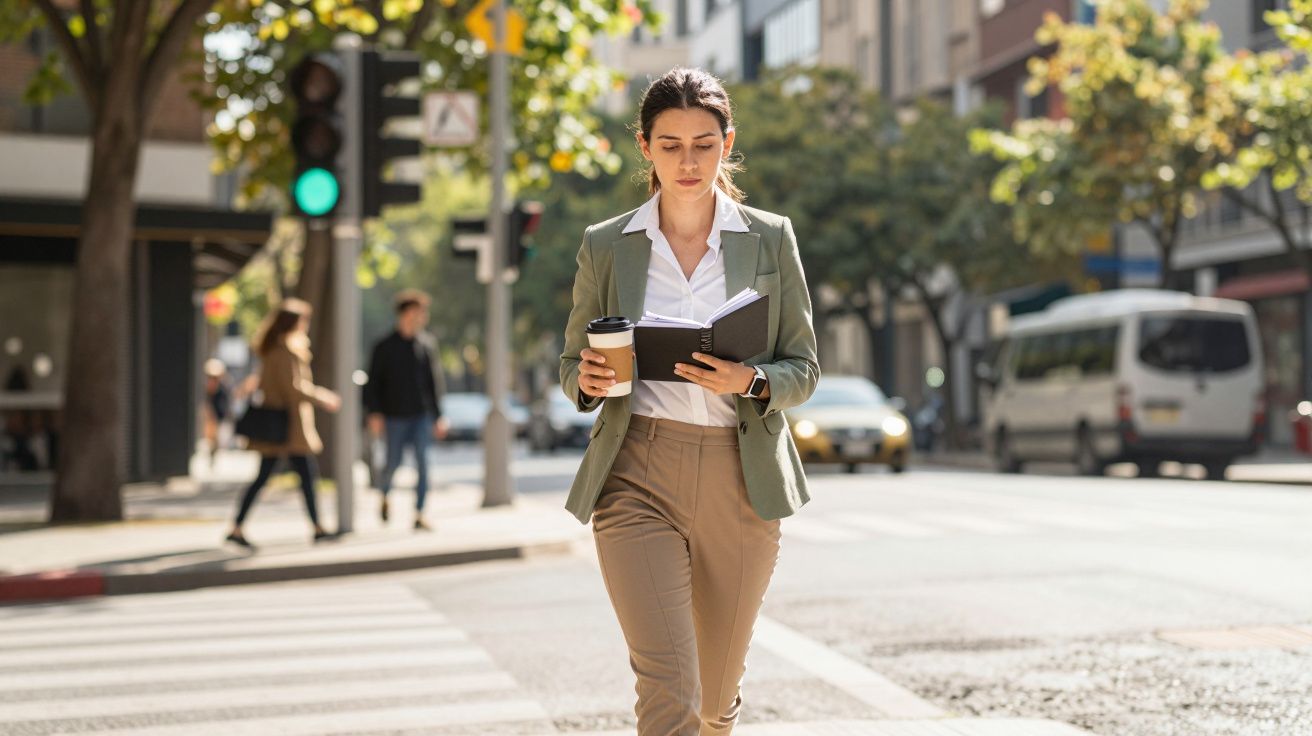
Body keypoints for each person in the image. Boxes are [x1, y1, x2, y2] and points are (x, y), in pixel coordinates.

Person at [559, 67, 820, 735]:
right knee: (668, 688)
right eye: (670, 144)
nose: (688, 160)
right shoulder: (606, 246)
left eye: (704, 143)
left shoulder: (769, 237)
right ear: (644, 147)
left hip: (742, 479)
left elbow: (804, 367)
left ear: (727, 143)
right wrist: (587, 379)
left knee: (711, 699)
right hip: (637, 473)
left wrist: (751, 382)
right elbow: (570, 366)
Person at [225, 298, 341, 548]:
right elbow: (293, 388)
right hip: (286, 424)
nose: (306, 325)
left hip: (282, 424)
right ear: (294, 323)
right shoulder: (284, 351)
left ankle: (238, 527)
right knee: (299, 476)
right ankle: (316, 527)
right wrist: (323, 397)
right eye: (303, 320)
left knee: (282, 476)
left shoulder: (276, 349)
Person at [364, 289, 448, 531]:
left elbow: (434, 383)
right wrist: (375, 413)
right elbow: (373, 384)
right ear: (406, 313)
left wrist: (439, 417)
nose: (423, 317)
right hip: (394, 416)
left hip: (421, 416)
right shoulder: (384, 346)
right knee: (393, 462)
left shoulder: (426, 345)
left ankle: (420, 512)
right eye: (419, 312)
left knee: (423, 464)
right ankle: (385, 495)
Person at [202, 358, 232, 467]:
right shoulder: (209, 388)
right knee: (212, 439)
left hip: (220, 415)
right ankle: (212, 456)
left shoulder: (223, 387)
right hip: (213, 415)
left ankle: (213, 456)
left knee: (218, 440)